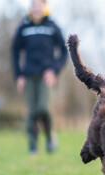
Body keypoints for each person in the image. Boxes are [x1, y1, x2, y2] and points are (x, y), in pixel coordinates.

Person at [11, 0, 68, 154]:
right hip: (29, 75)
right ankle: (33, 144)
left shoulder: (52, 26)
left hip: (45, 76)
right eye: (33, 4)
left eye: (39, 4)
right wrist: (19, 76)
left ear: (44, 6)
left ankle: (50, 137)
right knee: (32, 112)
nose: (36, 7)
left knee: (43, 108)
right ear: (31, 7)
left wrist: (53, 70)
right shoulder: (24, 27)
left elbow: (64, 52)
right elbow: (15, 52)